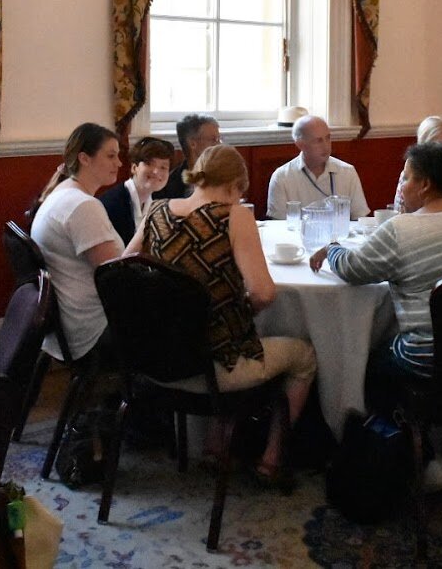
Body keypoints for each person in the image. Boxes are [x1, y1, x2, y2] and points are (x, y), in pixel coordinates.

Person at [310, 142, 442, 491]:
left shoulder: (403, 229)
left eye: (405, 178)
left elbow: (356, 269)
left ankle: (429, 458)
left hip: (431, 358)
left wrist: (333, 248)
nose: (400, 186)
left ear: (425, 185)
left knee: (370, 365)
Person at [127, 145, 317, 488]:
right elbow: (263, 293)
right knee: (303, 355)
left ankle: (217, 446)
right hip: (213, 370)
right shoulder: (234, 216)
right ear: (235, 187)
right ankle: (270, 460)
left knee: (226, 337)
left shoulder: (155, 211)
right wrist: (233, 308)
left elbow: (125, 270)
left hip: (155, 363)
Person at [30, 122, 125, 362]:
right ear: (85, 158)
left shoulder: (63, 191)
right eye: (111, 156)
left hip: (69, 322)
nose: (119, 163)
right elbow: (117, 276)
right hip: (91, 328)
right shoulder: (82, 206)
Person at [266, 115, 369, 220]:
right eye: (318, 141)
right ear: (300, 144)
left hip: (339, 235)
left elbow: (360, 219)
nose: (326, 146)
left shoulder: (347, 172)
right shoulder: (281, 177)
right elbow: (278, 225)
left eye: (328, 138)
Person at [98, 136, 173, 244]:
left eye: (163, 167)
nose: (156, 171)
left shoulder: (161, 200)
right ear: (134, 168)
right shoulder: (113, 203)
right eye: (149, 164)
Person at [154, 114, 221, 201]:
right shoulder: (169, 185)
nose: (219, 145)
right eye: (213, 140)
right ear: (193, 144)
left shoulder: (223, 176)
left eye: (219, 139)